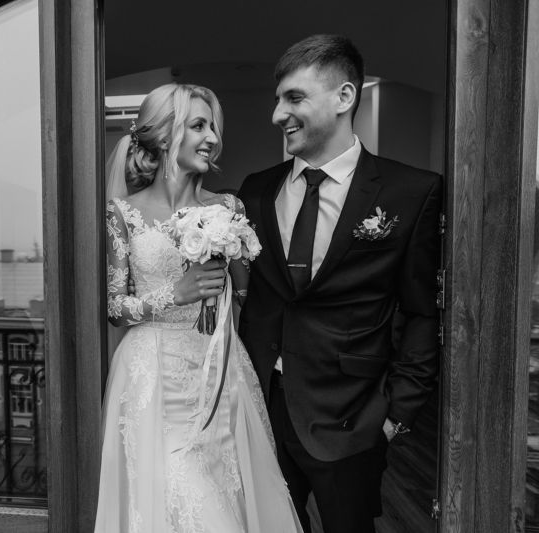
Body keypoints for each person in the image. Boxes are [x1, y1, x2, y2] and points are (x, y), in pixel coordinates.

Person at [238, 35, 442, 533]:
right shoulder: (256, 190)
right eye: (278, 99)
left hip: (353, 419)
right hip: (260, 409)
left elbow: (422, 311)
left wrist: (396, 413)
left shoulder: (411, 192)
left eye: (294, 97)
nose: (278, 114)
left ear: (344, 97)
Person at [95, 83, 302, 533]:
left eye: (214, 127)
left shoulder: (227, 206)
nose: (213, 138)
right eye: (199, 126)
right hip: (155, 378)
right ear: (165, 135)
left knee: (227, 488)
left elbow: (247, 293)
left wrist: (232, 267)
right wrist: (177, 292)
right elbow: (114, 307)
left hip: (220, 370)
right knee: (182, 500)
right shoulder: (122, 214)